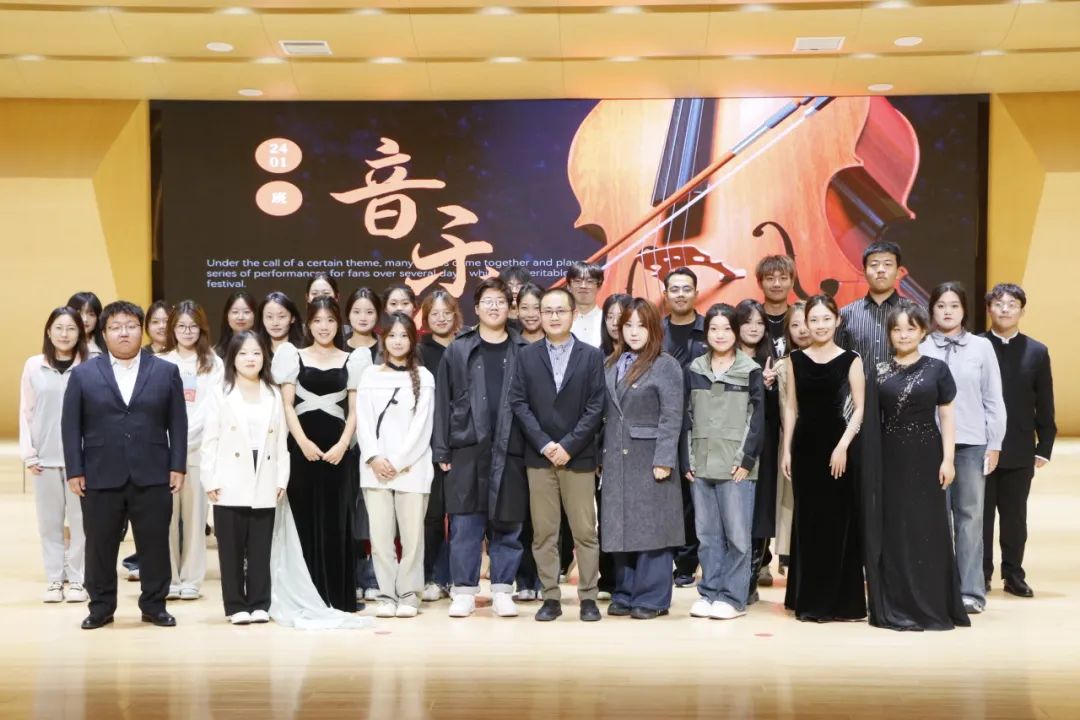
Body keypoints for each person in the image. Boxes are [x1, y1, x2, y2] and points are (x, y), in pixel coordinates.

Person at [62, 300, 187, 629]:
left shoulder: (165, 371)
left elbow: (178, 423)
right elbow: (71, 426)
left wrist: (178, 465)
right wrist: (75, 470)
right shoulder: (83, 374)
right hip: (100, 472)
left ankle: (154, 605)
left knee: (155, 543)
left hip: (154, 471)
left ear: (141, 330)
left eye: (131, 326)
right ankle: (101, 607)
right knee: (99, 545)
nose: (124, 333)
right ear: (104, 333)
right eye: (115, 327)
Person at [868, 302, 969, 631]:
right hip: (890, 458)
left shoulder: (937, 369)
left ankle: (932, 601)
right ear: (889, 334)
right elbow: (871, 420)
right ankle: (897, 602)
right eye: (897, 329)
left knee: (928, 527)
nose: (903, 335)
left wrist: (948, 459)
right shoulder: (878, 370)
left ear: (923, 331)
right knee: (896, 528)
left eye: (910, 328)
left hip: (928, 456)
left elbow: (947, 416)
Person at [433, 279, 530, 618]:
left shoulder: (524, 349)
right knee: (464, 523)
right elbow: (442, 401)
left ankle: (503, 589)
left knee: (508, 523)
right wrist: (442, 450)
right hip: (467, 448)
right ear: (476, 308)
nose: (494, 307)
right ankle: (464, 591)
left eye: (500, 301)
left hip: (511, 446)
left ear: (510, 308)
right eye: (487, 301)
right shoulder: (458, 349)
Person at [509, 287, 606, 622]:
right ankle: (550, 596)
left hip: (578, 458)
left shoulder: (591, 356)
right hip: (539, 458)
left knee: (585, 532)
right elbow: (518, 402)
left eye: (560, 311)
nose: (553, 317)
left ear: (573, 314)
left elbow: (596, 406)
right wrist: (544, 444)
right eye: (547, 311)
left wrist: (568, 446)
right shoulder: (526, 355)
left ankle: (588, 597)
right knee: (544, 533)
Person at [273, 297, 368, 612]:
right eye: (317, 320)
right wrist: (302, 442)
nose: (323, 326)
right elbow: (287, 404)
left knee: (336, 521)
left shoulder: (353, 359)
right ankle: (305, 594)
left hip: (338, 454)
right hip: (302, 451)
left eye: (329, 320)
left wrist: (343, 444)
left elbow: (355, 409)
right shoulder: (293, 356)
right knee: (303, 520)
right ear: (308, 324)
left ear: (338, 323)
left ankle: (336, 597)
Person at [920, 282, 1006, 614]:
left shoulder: (982, 347)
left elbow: (993, 397)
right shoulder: (922, 345)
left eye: (954, 305)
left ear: (965, 310)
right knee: (935, 518)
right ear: (932, 310)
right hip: (931, 444)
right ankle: (938, 590)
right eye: (941, 305)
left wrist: (994, 442)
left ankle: (971, 591)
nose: (947, 311)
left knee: (970, 517)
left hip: (971, 443)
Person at [781, 294, 866, 623]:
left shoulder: (851, 359)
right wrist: (787, 449)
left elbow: (859, 408)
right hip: (805, 447)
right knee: (808, 521)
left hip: (838, 446)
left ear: (837, 321)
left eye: (825, 319)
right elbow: (791, 407)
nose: (819, 325)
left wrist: (843, 446)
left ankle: (840, 602)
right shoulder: (795, 359)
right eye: (813, 320)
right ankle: (808, 599)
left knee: (838, 521)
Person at [600, 299, 684, 620]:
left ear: (653, 329)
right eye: (628, 325)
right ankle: (624, 592)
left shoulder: (666, 365)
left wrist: (665, 459)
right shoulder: (610, 363)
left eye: (641, 326)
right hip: (616, 458)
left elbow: (672, 416)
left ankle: (652, 597)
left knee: (653, 531)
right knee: (621, 528)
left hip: (650, 459)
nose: (634, 332)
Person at [201, 331, 289, 625]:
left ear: (264, 357)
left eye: (256, 353)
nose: (250, 359)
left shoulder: (273, 392)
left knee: (260, 546)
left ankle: (260, 602)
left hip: (264, 471)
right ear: (232, 358)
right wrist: (210, 479)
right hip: (229, 475)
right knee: (231, 548)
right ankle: (236, 604)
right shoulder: (221, 391)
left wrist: (281, 478)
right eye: (243, 353)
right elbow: (210, 439)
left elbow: (281, 441)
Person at [686, 303, 765, 620]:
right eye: (714, 329)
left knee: (737, 537)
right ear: (706, 333)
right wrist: (688, 459)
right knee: (707, 536)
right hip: (701, 462)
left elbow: (756, 419)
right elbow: (686, 417)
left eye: (726, 329)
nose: (720, 335)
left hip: (736, 466)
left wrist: (746, 459)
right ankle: (709, 593)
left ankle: (733, 598)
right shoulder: (695, 368)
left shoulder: (750, 370)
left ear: (736, 332)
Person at [356, 313, 436, 618]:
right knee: (380, 538)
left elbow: (422, 427)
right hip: (374, 469)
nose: (398, 341)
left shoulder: (424, 377)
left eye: (404, 335)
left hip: (413, 469)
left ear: (413, 340)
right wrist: (375, 458)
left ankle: (409, 595)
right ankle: (386, 595)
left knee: (412, 539)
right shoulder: (369, 375)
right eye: (392, 336)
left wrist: (399, 462)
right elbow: (363, 421)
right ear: (383, 339)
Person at [981, 283, 1056, 598]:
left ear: (1022, 311)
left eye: (1012, 304)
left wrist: (1045, 445)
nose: (1005, 309)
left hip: (1020, 446)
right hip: (981, 446)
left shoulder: (1036, 351)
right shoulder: (977, 346)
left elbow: (1045, 400)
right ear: (989, 309)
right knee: (980, 517)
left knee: (1014, 518)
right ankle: (980, 574)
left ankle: (1013, 575)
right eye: (999, 303)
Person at [21, 307, 89, 604]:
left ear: (80, 333)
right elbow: (26, 411)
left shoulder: (90, 366)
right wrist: (29, 453)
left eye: (71, 328)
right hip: (45, 459)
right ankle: (54, 579)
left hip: (80, 462)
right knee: (49, 524)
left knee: (81, 524)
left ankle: (78, 580)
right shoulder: (34, 366)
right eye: (59, 328)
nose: (64, 334)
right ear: (49, 332)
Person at [158, 300, 224, 601]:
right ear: (172, 329)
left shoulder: (213, 363)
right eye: (181, 326)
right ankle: (169, 577)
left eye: (193, 326)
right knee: (166, 518)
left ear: (202, 329)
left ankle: (192, 579)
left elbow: (213, 407)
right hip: (164, 451)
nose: (187, 332)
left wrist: (185, 434)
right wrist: (173, 436)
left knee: (196, 519)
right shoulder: (160, 361)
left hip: (200, 450)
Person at [660, 268, 708, 589]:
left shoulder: (710, 329)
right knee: (664, 492)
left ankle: (688, 562)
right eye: (674, 289)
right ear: (665, 294)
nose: (680, 294)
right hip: (662, 421)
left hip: (700, 421)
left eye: (686, 289)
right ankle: (661, 558)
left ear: (696, 293)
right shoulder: (655, 330)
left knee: (693, 494)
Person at [418, 289, 462, 601]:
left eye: (447, 312)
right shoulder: (419, 351)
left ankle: (458, 577)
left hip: (462, 441)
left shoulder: (467, 346)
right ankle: (432, 577)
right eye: (435, 313)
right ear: (426, 318)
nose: (441, 318)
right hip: (426, 444)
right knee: (432, 515)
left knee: (460, 516)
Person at [734, 299, 778, 601]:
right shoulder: (724, 356)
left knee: (759, 513)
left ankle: (749, 580)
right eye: (747, 321)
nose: (753, 327)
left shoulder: (772, 361)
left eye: (760, 323)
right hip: (729, 445)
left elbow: (779, 413)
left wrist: (770, 387)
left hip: (764, 447)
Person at [774, 301, 810, 571]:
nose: (803, 329)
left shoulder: (840, 359)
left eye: (807, 322)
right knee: (791, 500)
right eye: (795, 325)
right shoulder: (782, 366)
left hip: (830, 442)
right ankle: (789, 555)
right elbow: (785, 408)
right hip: (793, 441)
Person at [839, 241, 904, 371]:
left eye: (887, 264)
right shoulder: (845, 314)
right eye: (874, 265)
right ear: (864, 272)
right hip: (859, 384)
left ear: (898, 271)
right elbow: (839, 363)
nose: (880, 270)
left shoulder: (916, 313)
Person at [756, 255, 796, 358]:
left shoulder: (799, 318)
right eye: (770, 278)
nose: (777, 284)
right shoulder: (752, 320)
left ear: (792, 283)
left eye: (783, 278)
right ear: (760, 283)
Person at [566, 261, 604, 348]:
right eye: (577, 281)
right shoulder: (561, 320)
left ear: (599, 286)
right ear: (568, 286)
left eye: (590, 281)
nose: (583, 286)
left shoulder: (607, 320)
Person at [345, 287, 383, 365]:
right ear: (348, 314)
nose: (363, 318)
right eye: (356, 312)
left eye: (369, 312)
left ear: (377, 315)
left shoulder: (386, 347)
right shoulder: (337, 344)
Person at [214, 291, 256, 358]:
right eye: (235, 312)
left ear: (255, 315)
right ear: (227, 316)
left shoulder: (264, 347)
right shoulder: (215, 353)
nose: (240, 317)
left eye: (246, 312)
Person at [67, 291, 104, 357]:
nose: (85, 319)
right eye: (79, 313)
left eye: (91, 314)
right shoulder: (62, 344)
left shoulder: (107, 345)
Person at [600, 293, 633, 357]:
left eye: (620, 317)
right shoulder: (597, 355)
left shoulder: (642, 355)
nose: (615, 323)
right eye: (610, 317)